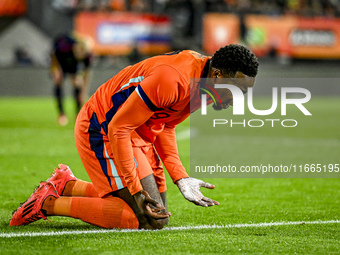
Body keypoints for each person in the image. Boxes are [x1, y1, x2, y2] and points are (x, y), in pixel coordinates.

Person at [10, 44, 259, 229]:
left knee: (156, 214)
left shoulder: (205, 84)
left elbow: (166, 125)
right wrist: (136, 189)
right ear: (217, 75)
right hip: (103, 127)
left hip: (136, 132)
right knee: (141, 218)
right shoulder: (174, 78)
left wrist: (180, 177)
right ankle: (47, 203)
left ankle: (67, 185)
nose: (238, 99)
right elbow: (118, 128)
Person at [50, 34, 92, 126]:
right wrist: (55, 68)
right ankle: (61, 114)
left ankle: (77, 113)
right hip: (60, 62)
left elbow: (86, 74)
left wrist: (83, 92)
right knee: (58, 80)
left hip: (72, 65)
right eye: (79, 51)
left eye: (82, 53)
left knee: (77, 82)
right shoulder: (64, 48)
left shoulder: (87, 56)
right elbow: (53, 53)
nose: (80, 55)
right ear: (76, 47)